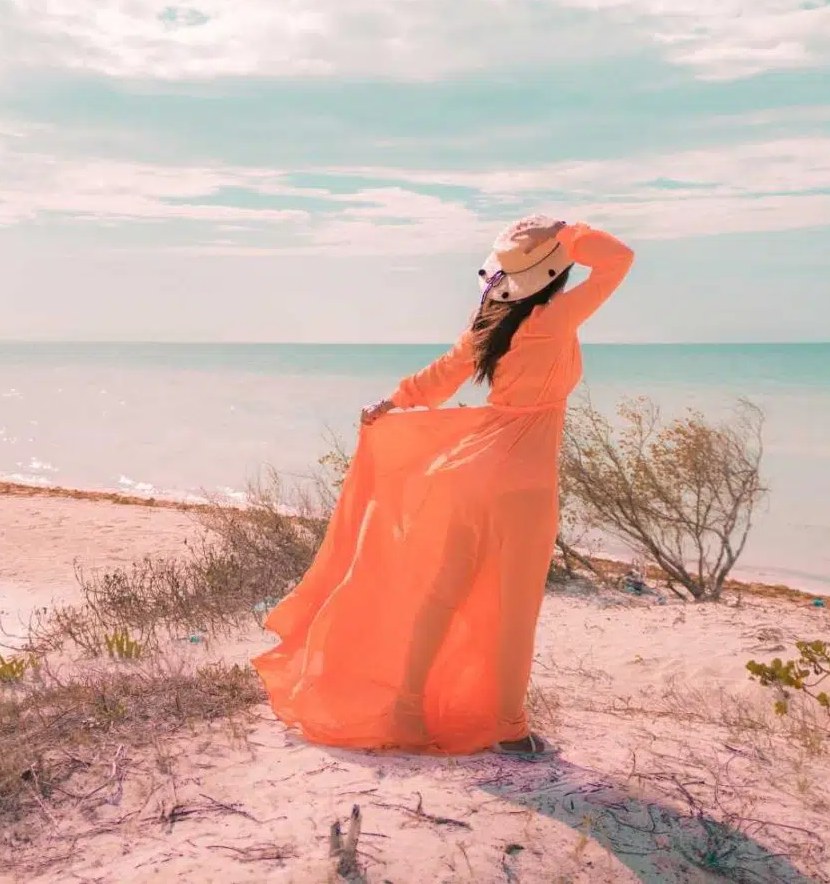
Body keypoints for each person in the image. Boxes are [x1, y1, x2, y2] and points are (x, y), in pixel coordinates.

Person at [252, 214, 634, 756]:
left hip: (471, 467)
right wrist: (568, 230)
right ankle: (510, 728)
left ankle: (406, 710)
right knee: (515, 608)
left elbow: (442, 375)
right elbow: (618, 257)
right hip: (523, 482)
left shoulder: (491, 321)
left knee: (443, 592)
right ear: (553, 272)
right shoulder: (556, 317)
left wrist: (391, 403)